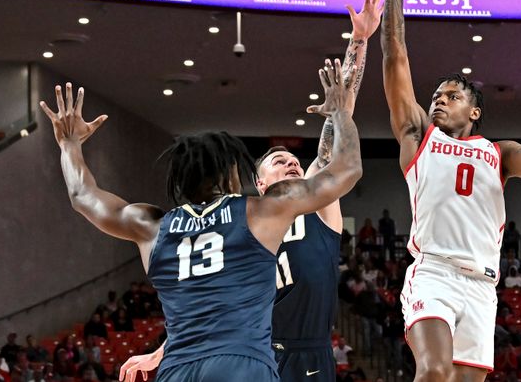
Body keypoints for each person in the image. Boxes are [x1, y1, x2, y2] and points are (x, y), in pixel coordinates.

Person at [117, 0, 382, 382]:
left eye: (296, 161)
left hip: (306, 356)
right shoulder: (241, 223)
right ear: (258, 183)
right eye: (280, 160)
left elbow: (337, 125)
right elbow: (212, 305)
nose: (293, 164)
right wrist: (164, 349)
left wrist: (359, 42)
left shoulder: (314, 203)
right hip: (251, 355)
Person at [39, 62, 362, 382]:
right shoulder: (258, 212)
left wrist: (70, 145)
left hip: (178, 368)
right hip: (242, 364)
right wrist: (339, 114)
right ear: (231, 175)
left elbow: (83, 195)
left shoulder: (152, 226)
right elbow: (347, 169)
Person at [362, 0, 521, 381]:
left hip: (481, 284)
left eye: (452, 95)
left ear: (475, 112)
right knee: (433, 372)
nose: (439, 99)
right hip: (432, 272)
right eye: (436, 94)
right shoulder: (419, 135)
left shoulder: (500, 153)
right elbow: (395, 56)